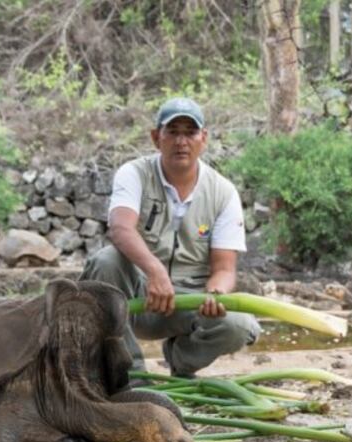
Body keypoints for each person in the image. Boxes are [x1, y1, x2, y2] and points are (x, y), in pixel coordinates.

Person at [80, 97, 260, 379]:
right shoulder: (134, 173)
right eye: (172, 132)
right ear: (156, 138)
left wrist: (215, 294)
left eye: (190, 132)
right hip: (138, 298)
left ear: (204, 138)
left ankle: (181, 362)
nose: (181, 141)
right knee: (106, 261)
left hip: (189, 302)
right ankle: (131, 376)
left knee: (238, 325)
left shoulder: (223, 192)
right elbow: (120, 228)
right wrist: (154, 271)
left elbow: (224, 269)